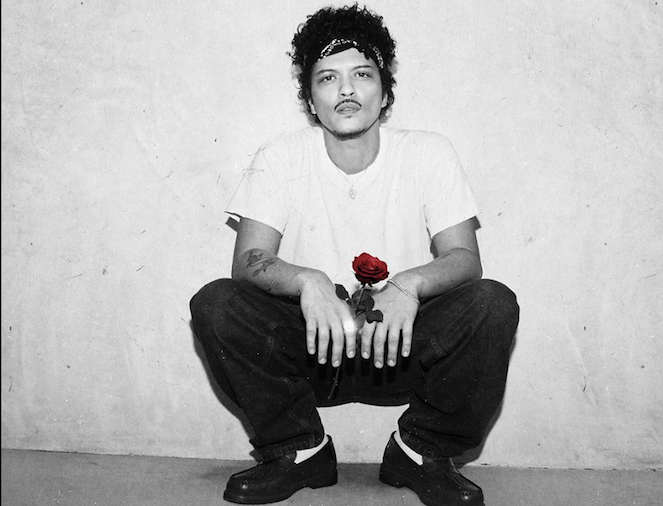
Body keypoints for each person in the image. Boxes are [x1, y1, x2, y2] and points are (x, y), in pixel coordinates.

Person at [189, 4, 520, 506]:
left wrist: (407, 285)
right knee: (216, 302)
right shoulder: (280, 156)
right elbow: (248, 260)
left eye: (362, 74)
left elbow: (465, 259)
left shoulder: (428, 152)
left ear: (384, 91)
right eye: (328, 78)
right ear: (311, 98)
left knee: (492, 303)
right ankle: (300, 450)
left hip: (399, 345)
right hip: (313, 350)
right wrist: (310, 282)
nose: (346, 90)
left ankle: (420, 451)